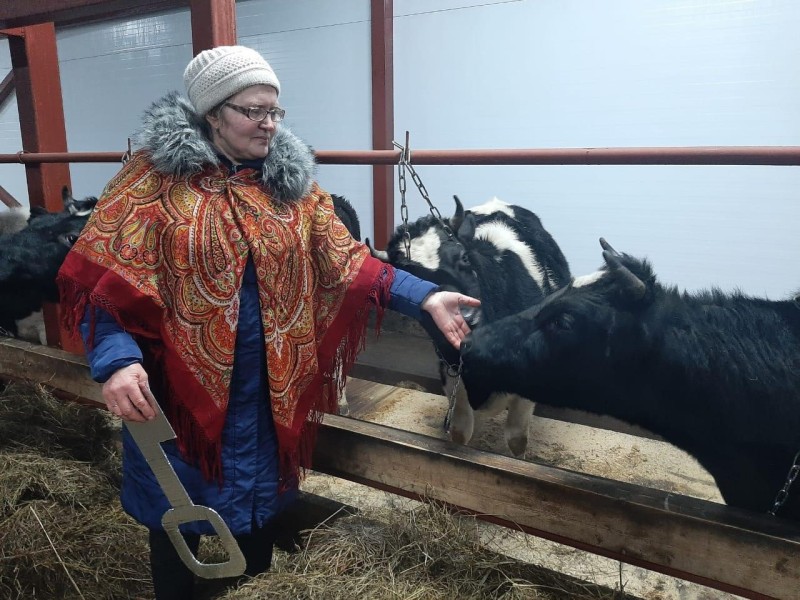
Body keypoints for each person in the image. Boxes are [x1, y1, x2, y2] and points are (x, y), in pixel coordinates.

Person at [57, 45, 479, 600]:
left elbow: (348, 260)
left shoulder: (291, 189)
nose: (269, 124)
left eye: (275, 111)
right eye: (253, 111)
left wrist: (423, 297)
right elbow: (101, 282)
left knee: (253, 522)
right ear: (213, 112)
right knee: (173, 518)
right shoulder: (152, 185)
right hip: (174, 392)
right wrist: (115, 362)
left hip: (265, 395)